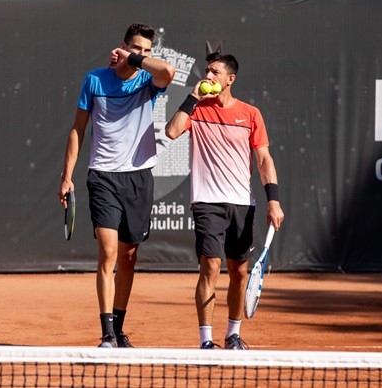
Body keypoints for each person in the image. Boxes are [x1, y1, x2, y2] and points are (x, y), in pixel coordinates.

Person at [58, 23, 175, 348]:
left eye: (147, 51)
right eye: (137, 48)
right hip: (103, 176)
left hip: (138, 176)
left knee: (129, 256)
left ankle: (119, 328)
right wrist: (67, 176)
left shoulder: (148, 80)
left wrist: (134, 60)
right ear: (122, 44)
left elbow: (168, 71)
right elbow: (77, 130)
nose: (143, 55)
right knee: (108, 253)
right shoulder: (94, 80)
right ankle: (107, 334)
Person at [165, 51, 284, 350]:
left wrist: (274, 200)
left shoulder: (251, 114)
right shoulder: (197, 109)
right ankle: (206, 339)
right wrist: (192, 98)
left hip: (242, 203)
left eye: (214, 72)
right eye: (206, 71)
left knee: (239, 271)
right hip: (207, 201)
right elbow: (171, 130)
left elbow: (264, 159)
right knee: (210, 266)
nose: (208, 76)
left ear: (230, 79)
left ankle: (233, 334)